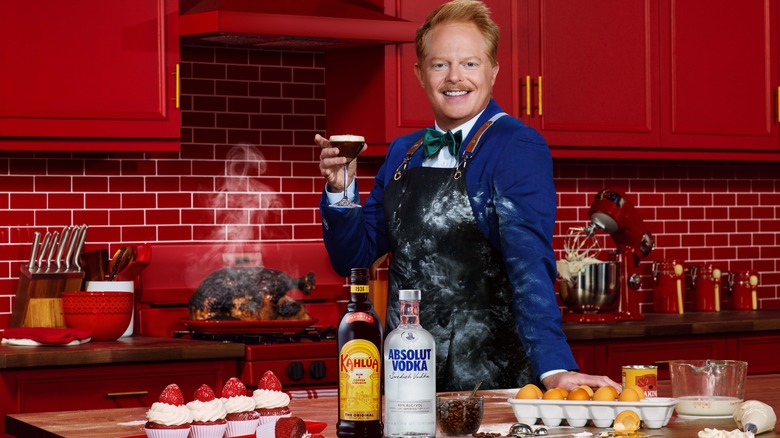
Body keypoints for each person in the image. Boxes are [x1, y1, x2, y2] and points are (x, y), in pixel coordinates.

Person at [316, 0, 620, 393]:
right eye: (440, 64)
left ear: (493, 71)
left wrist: (553, 366)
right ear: (420, 74)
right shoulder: (402, 152)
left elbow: (529, 261)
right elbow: (352, 258)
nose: (454, 77)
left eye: (470, 64)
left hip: (489, 380)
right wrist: (341, 190)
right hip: (407, 375)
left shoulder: (516, 145)